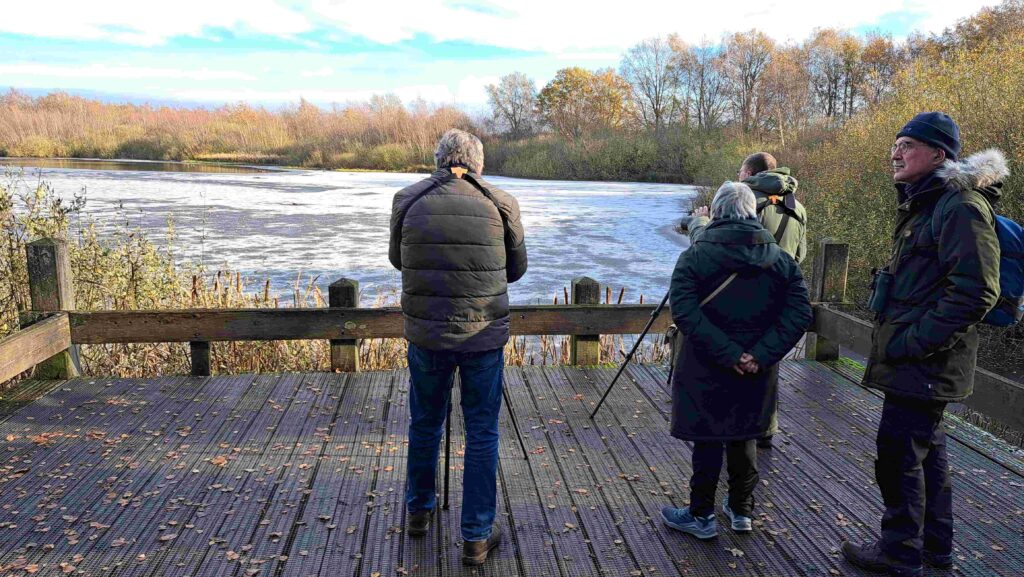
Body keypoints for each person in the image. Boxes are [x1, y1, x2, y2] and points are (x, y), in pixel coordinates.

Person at [841, 113, 1004, 577]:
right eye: (895, 143)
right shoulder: (928, 204)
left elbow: (977, 291)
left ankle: (899, 552)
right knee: (927, 454)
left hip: (926, 362)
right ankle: (933, 548)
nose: (895, 152)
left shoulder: (959, 207)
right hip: (923, 362)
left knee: (898, 456)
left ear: (939, 154)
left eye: (908, 144)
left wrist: (915, 342)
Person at [388, 128, 528, 566]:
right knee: (482, 431)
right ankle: (476, 535)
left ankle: (418, 511)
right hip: (482, 336)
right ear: (478, 163)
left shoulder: (407, 199)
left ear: (437, 160)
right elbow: (517, 269)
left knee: (425, 422)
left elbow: (398, 259)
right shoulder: (500, 202)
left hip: (428, 334)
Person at [661, 181, 811, 540]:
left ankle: (700, 515)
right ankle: (741, 510)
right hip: (758, 367)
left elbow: (684, 311)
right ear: (752, 212)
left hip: (705, 363)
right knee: (745, 432)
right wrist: (759, 355)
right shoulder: (780, 260)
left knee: (708, 437)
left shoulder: (695, 257)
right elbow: (798, 313)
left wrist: (728, 353)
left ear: (716, 211)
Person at [688, 152, 808, 448]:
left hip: (742, 291)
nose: (738, 176)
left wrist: (698, 222)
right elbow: (801, 253)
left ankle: (729, 430)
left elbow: (715, 245)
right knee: (765, 359)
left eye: (740, 171)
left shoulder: (746, 201)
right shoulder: (797, 206)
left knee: (730, 361)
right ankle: (765, 427)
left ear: (749, 173)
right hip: (780, 291)